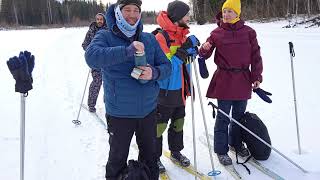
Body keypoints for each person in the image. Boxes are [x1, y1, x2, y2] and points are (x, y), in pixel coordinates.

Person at [84, 0, 172, 179]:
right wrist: (126, 51)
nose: (132, 15)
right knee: (117, 159)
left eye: (136, 10)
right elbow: (92, 57)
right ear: (118, 12)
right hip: (120, 113)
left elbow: (167, 67)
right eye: (127, 10)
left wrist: (153, 72)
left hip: (148, 111)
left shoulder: (148, 38)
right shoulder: (105, 36)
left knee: (150, 158)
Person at [198, 0, 263, 166]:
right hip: (224, 80)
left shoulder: (249, 32)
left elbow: (256, 56)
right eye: (224, 11)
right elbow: (204, 54)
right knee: (223, 117)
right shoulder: (216, 33)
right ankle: (221, 150)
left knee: (239, 117)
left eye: (230, 11)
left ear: (237, 13)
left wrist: (256, 76)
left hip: (243, 79)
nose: (226, 14)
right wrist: (204, 48)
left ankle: (236, 143)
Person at [154, 0, 200, 173]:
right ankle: (154, 157)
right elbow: (166, 67)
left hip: (182, 90)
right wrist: (183, 51)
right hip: (165, 90)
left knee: (178, 124)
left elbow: (183, 62)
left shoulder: (183, 35)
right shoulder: (161, 37)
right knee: (158, 127)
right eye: (186, 15)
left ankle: (176, 152)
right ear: (177, 17)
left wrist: (192, 53)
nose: (189, 17)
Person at [82, 13, 108, 112]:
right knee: (97, 82)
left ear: (104, 20)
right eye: (97, 19)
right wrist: (91, 52)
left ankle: (109, 105)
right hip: (96, 61)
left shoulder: (108, 30)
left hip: (107, 61)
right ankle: (91, 104)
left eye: (101, 19)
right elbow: (84, 44)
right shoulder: (91, 31)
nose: (99, 21)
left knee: (108, 83)